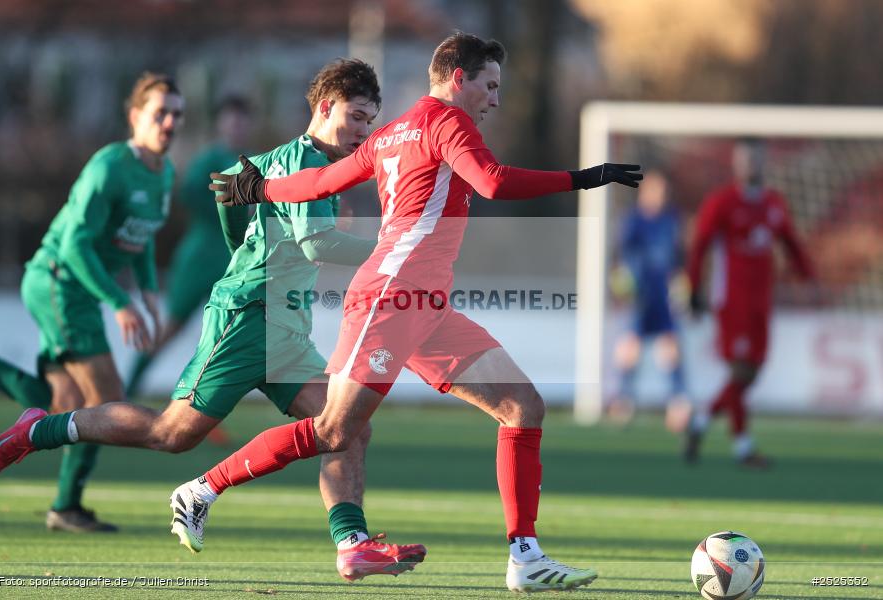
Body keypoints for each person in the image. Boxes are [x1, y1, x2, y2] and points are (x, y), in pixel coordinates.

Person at [204, 33, 641, 592]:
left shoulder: (393, 131)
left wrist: (261, 188)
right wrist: (583, 178)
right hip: (390, 297)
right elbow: (493, 181)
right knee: (337, 430)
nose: (496, 98)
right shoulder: (446, 122)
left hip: (425, 304)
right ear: (458, 78)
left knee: (522, 406)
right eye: (490, 84)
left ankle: (526, 557)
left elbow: (321, 181)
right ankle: (203, 488)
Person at [0, 59, 426, 581]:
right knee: (172, 435)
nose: (363, 131)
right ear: (325, 107)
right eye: (355, 117)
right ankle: (41, 429)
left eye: (370, 121)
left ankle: (351, 544)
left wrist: (244, 243)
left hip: (285, 329)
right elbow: (317, 243)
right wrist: (394, 247)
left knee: (348, 427)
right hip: (245, 322)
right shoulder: (304, 162)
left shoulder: (282, 162)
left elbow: (230, 187)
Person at [0, 72, 183, 532]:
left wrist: (148, 291)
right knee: (106, 404)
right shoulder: (109, 166)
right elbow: (74, 245)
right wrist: (119, 301)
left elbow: (144, 236)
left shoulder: (164, 172)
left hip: (77, 288)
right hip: (58, 281)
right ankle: (67, 503)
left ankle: (64, 503)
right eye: (161, 113)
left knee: (68, 405)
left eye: (178, 113)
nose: (170, 122)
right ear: (135, 117)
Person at [684, 139, 814, 468]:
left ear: (764, 162)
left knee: (749, 374)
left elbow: (790, 241)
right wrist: (695, 289)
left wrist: (807, 275)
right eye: (745, 160)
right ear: (736, 164)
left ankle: (703, 423)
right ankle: (740, 445)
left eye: (756, 159)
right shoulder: (722, 202)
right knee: (741, 371)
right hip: (732, 301)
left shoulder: (774, 203)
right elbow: (699, 245)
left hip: (761, 302)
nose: (751, 166)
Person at [125, 95, 254, 418]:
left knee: (226, 334)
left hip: (232, 261)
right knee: (171, 329)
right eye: (231, 119)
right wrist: (223, 210)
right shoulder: (211, 157)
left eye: (242, 121)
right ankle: (127, 389)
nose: (237, 126)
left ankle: (199, 406)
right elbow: (189, 193)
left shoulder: (253, 160)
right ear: (220, 124)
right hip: (200, 259)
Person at [608, 170, 688, 428]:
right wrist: (622, 285)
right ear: (645, 193)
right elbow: (620, 258)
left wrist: (682, 282)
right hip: (640, 295)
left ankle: (677, 403)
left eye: (665, 192)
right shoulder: (633, 222)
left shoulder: (671, 220)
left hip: (664, 294)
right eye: (656, 191)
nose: (661, 196)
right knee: (630, 347)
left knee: (671, 347)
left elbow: (679, 256)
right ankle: (624, 400)